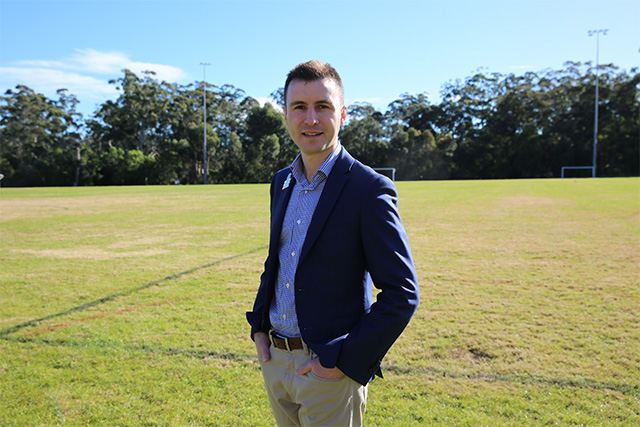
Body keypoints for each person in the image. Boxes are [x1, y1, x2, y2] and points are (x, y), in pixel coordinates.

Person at [246, 60, 420, 426]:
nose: (310, 118)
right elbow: (276, 261)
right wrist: (259, 327)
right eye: (299, 107)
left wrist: (342, 360)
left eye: (322, 106)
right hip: (276, 362)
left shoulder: (368, 189)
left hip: (327, 370)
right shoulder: (282, 181)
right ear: (286, 115)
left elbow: (402, 294)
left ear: (342, 114)